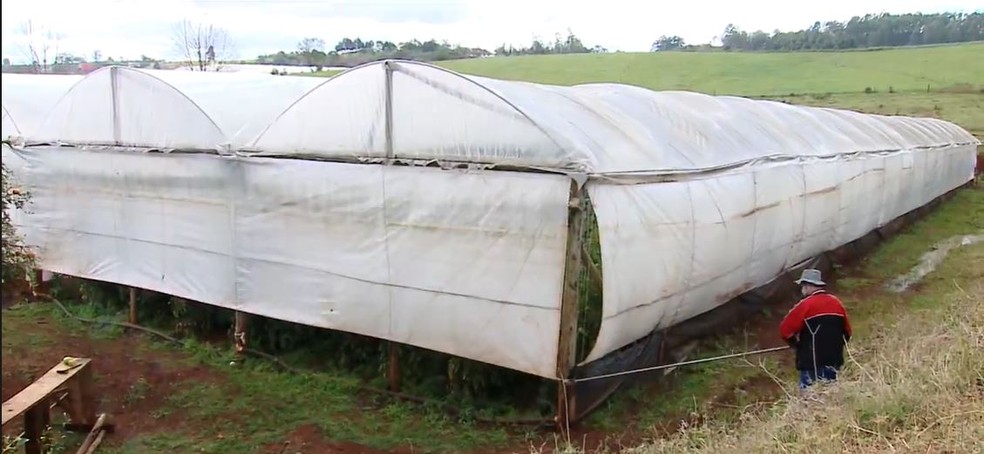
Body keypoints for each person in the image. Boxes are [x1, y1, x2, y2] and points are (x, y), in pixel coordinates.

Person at [779, 269, 852, 389]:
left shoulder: (805, 305)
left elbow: (785, 330)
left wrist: (797, 345)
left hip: (810, 361)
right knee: (830, 395)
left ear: (807, 286)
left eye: (803, 286)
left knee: (809, 399)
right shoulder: (837, 303)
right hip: (833, 360)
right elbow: (848, 332)